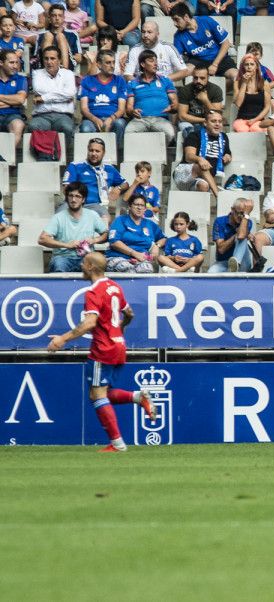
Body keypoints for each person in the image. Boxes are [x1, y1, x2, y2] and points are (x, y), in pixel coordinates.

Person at [46, 252, 156, 452]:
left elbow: (89, 322)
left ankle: (118, 443)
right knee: (100, 393)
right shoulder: (115, 286)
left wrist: (62, 338)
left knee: (97, 396)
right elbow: (129, 313)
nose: (80, 266)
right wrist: (120, 328)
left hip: (102, 348)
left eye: (83, 263)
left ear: (90, 266)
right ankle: (138, 397)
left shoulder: (93, 291)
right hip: (119, 345)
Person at [39, 182, 108, 272]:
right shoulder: (58, 217)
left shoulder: (92, 215)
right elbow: (42, 239)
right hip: (63, 257)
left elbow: (106, 234)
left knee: (98, 264)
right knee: (59, 264)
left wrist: (94, 240)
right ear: (67, 198)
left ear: (83, 199)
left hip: (86, 257)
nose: (73, 199)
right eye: (70, 196)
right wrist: (66, 245)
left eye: (77, 196)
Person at [61, 138, 128, 222]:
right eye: (91, 150)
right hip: (74, 203)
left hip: (96, 205)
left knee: (106, 220)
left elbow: (125, 184)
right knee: (58, 217)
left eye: (97, 151)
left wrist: (119, 188)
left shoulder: (109, 168)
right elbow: (66, 188)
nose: (93, 153)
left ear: (103, 153)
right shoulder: (75, 166)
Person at [171, 2, 237, 81]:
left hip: (219, 58)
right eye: (173, 20)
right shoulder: (178, 36)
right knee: (185, 70)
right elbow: (177, 59)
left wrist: (215, 64)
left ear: (186, 17)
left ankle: (215, 89)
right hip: (198, 61)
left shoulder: (206, 21)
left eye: (176, 20)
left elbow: (225, 43)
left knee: (236, 76)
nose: (174, 24)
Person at [172, 109, 231, 195]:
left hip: (204, 177)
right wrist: (199, 159)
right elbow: (189, 157)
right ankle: (218, 195)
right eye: (213, 121)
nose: (217, 124)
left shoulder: (224, 137)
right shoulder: (195, 135)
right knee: (201, 166)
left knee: (203, 186)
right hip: (185, 173)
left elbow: (228, 152)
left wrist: (228, 156)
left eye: (220, 121)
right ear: (205, 123)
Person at [125, 49, 177, 145]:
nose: (155, 63)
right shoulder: (132, 83)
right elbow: (129, 108)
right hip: (140, 120)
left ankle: (157, 155)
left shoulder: (165, 81)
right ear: (143, 64)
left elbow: (175, 104)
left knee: (170, 133)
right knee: (128, 133)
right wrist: (132, 112)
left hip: (160, 119)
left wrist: (172, 107)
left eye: (156, 60)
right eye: (151, 60)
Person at [78, 49, 127, 149]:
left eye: (113, 62)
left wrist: (110, 119)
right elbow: (84, 109)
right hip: (91, 119)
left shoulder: (120, 81)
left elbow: (121, 109)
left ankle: (114, 156)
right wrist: (95, 119)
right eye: (108, 63)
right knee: (85, 128)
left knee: (120, 124)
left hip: (113, 118)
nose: (112, 66)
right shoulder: (87, 81)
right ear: (99, 65)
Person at [106, 195, 165, 273]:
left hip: (141, 260)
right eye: (136, 205)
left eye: (142, 205)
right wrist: (134, 253)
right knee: (127, 269)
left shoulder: (149, 224)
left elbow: (163, 238)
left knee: (147, 269)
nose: (139, 208)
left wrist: (157, 246)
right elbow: (114, 242)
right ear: (130, 206)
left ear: (145, 208)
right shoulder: (120, 220)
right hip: (119, 257)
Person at [30, 45, 76, 143]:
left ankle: (62, 156)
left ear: (59, 60)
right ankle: (44, 156)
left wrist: (43, 98)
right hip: (41, 115)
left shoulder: (68, 74)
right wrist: (63, 96)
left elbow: (70, 93)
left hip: (63, 115)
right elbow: (39, 89)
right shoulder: (37, 73)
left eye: (53, 58)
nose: (49, 62)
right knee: (33, 126)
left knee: (67, 127)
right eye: (46, 58)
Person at [123, 20, 189, 82]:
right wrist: (142, 84)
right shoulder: (134, 50)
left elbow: (184, 71)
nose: (145, 35)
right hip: (142, 88)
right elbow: (127, 75)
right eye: (143, 32)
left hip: (164, 88)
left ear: (157, 34)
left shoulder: (168, 48)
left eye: (149, 32)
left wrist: (162, 81)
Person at [210, 197, 262, 273]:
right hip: (223, 262)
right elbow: (221, 250)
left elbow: (241, 236)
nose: (241, 217)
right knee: (210, 273)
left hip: (243, 263)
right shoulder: (220, 221)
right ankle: (233, 268)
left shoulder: (247, 221)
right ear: (232, 210)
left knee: (242, 236)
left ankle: (236, 264)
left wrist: (246, 215)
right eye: (240, 213)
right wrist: (235, 235)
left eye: (244, 214)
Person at [176, 64, 223, 136]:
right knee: (190, 131)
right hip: (189, 122)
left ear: (208, 77)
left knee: (215, 129)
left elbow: (217, 115)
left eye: (202, 78)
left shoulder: (215, 90)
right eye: (195, 78)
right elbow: (182, 116)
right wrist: (204, 120)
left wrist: (206, 101)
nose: (198, 81)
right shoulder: (185, 90)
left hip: (209, 122)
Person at [232, 53, 272, 132]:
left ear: (256, 66)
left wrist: (255, 119)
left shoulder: (264, 83)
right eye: (246, 64)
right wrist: (244, 83)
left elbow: (267, 107)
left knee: (256, 129)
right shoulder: (237, 82)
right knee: (243, 130)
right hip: (241, 119)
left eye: (252, 64)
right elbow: (238, 103)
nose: (249, 67)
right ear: (243, 67)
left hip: (258, 119)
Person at [0, 48, 27, 148]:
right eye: (11, 62)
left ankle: (6, 158)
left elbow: (20, 99)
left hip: (13, 115)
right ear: (1, 63)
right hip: (12, 110)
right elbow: (17, 101)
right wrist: (12, 103)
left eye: (17, 62)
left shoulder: (21, 79)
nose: (15, 66)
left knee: (18, 125)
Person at [40, 4, 80, 70]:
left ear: (64, 18)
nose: (57, 18)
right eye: (54, 15)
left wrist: (60, 57)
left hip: (67, 65)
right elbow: (37, 56)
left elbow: (79, 58)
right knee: (48, 35)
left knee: (60, 36)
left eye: (60, 15)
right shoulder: (41, 35)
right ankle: (47, 71)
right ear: (49, 18)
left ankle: (64, 71)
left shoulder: (73, 34)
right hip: (46, 64)